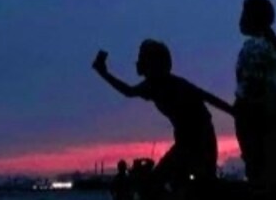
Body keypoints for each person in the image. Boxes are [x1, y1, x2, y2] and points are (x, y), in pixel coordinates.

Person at [92, 40, 234, 191]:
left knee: (200, 185)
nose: (137, 63)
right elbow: (128, 91)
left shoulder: (173, 84)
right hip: (185, 141)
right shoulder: (151, 85)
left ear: (153, 63)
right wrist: (104, 74)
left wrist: (234, 112)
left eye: (142, 58)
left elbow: (207, 97)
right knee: (168, 183)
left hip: (201, 139)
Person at [234, 0, 276, 184]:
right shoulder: (271, 47)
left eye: (244, 13)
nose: (240, 19)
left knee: (261, 172)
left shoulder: (254, 47)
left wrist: (246, 113)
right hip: (271, 115)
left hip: (257, 116)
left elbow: (256, 89)